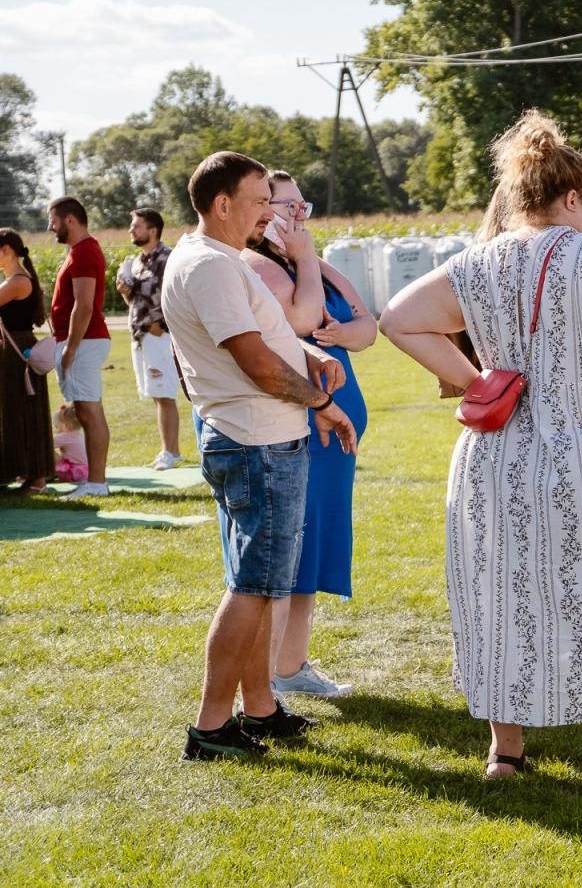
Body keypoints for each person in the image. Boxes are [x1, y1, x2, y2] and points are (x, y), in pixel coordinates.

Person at [380, 109, 582, 783]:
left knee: (503, 590)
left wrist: (477, 380)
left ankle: (507, 754)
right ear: (572, 196)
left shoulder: (477, 262)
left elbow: (399, 319)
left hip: (499, 456)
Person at [164, 150, 357, 761]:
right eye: (258, 201)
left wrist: (306, 354)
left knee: (263, 584)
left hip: (257, 438)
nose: (268, 213)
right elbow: (252, 359)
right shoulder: (211, 266)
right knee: (252, 588)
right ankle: (212, 726)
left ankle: (261, 708)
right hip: (257, 442)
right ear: (223, 205)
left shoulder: (216, 261)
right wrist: (319, 402)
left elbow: (264, 337)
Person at [244, 171, 374, 700]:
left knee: (315, 549)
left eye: (304, 206)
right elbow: (298, 322)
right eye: (286, 206)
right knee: (289, 552)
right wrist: (302, 261)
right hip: (299, 422)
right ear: (258, 209)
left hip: (336, 432)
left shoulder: (318, 266)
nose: (299, 216)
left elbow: (368, 324)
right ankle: (266, 675)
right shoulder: (255, 267)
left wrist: (348, 333)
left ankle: (292, 665)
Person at [46, 196, 112, 499]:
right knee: (85, 410)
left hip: (84, 341)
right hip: (80, 340)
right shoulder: (79, 251)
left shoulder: (85, 252)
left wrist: (70, 348)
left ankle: (96, 483)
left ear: (70, 220)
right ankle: (94, 482)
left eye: (54, 220)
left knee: (89, 410)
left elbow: (83, 306)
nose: (50, 227)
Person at [115, 207, 182, 470]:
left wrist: (161, 325)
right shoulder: (136, 261)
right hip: (141, 336)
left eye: (136, 225)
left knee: (164, 393)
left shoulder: (168, 258)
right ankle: (168, 449)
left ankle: (171, 452)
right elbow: (137, 301)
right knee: (155, 393)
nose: (131, 229)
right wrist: (124, 292)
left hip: (158, 337)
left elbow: (178, 294)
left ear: (152, 230)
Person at [0, 228, 52, 493]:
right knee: (15, 410)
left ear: (6, 250)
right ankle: (26, 472)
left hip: (17, 352)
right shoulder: (16, 279)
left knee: (24, 412)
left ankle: (38, 476)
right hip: (13, 350)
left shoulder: (18, 281)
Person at [53, 404, 87, 483]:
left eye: (57, 427)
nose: (56, 430)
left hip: (74, 472)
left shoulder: (65, 437)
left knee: (47, 451)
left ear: (67, 425)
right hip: (87, 471)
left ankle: (39, 476)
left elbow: (46, 444)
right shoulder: (80, 434)